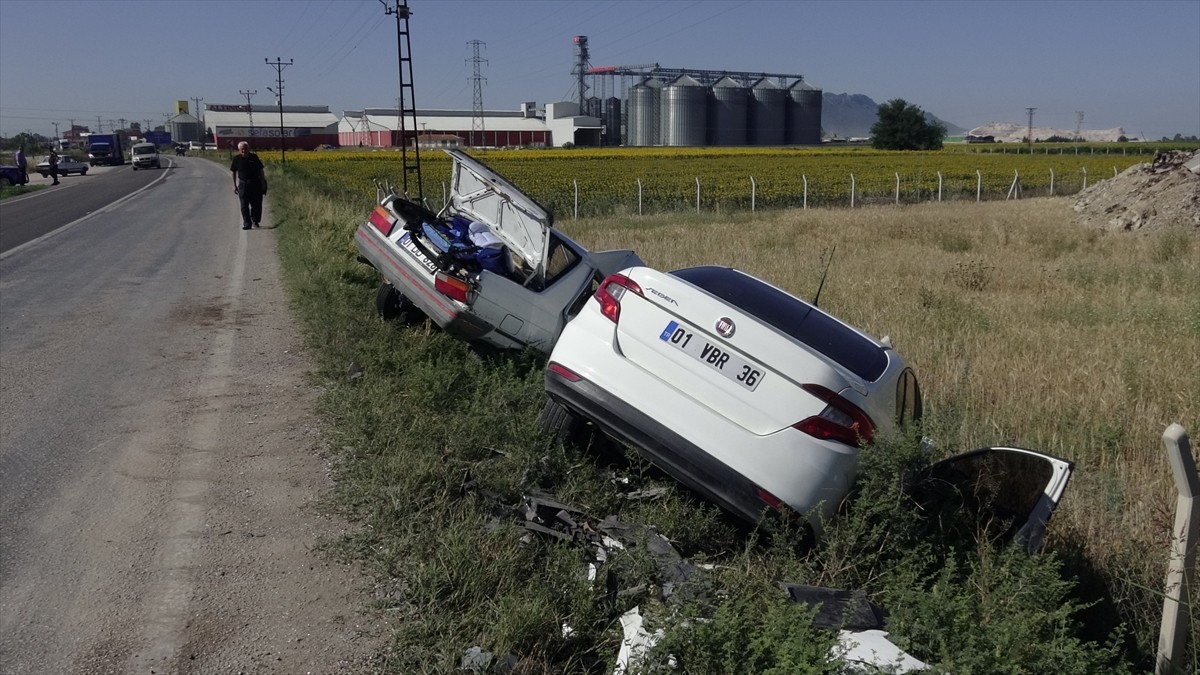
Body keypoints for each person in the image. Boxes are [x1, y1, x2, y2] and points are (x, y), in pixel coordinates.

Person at [229, 141, 265, 230]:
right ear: (239, 150)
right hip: (243, 184)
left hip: (255, 183)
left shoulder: (254, 157)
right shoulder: (236, 159)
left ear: (248, 149)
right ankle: (247, 223)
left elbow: (261, 170)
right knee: (244, 205)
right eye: (242, 149)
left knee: (256, 204)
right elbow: (233, 172)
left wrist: (263, 182)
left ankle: (255, 221)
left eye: (245, 148)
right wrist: (234, 185)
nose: (244, 150)